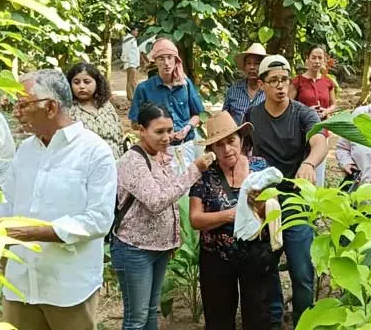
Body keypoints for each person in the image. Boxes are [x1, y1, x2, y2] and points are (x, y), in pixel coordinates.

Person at [0, 69, 118, 330]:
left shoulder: (94, 152)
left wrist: (30, 233)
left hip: (67, 287)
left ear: (50, 107)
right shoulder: (26, 151)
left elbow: (98, 220)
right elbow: (9, 204)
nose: (15, 112)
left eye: (22, 105)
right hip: (21, 285)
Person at [112, 103, 215, 330]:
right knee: (136, 318)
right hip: (134, 248)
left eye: (169, 130)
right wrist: (194, 170)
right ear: (141, 130)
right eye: (159, 132)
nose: (167, 137)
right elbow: (157, 201)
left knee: (150, 312)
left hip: (158, 247)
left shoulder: (160, 156)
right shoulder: (133, 161)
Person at [244, 54, 328, 328]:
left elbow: (319, 142)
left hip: (296, 200)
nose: (280, 86)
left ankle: (304, 321)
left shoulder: (303, 113)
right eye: (274, 81)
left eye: (284, 80)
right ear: (262, 84)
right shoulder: (253, 115)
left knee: (302, 268)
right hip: (265, 201)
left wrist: (308, 163)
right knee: (267, 267)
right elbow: (244, 151)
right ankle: (275, 320)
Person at [189, 111, 276, 329]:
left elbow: (273, 211)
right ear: (211, 149)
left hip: (256, 253)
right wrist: (232, 214)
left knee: (258, 314)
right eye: (219, 145)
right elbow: (195, 219)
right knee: (218, 316)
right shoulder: (205, 174)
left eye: (231, 141)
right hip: (216, 257)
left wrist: (258, 204)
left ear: (241, 139)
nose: (227, 149)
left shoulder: (259, 167)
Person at [129, 38, 204, 173]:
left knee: (189, 184)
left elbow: (197, 115)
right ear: (155, 61)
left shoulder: (185, 84)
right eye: (161, 58)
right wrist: (160, 131)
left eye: (170, 58)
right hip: (159, 150)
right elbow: (135, 123)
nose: (166, 63)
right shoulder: (144, 89)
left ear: (176, 60)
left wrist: (186, 128)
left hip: (187, 145)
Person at [289, 45, 337, 186]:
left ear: (324, 61)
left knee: (319, 167)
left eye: (320, 58)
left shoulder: (328, 82)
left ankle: (316, 200)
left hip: (322, 130)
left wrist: (326, 111)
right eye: (313, 57)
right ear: (307, 60)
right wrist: (306, 111)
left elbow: (334, 104)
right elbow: (288, 104)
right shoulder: (297, 81)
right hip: (300, 131)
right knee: (300, 166)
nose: (316, 61)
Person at [67, 62, 124, 159]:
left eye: (86, 82)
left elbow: (119, 136)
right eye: (76, 82)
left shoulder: (106, 106)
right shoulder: (67, 110)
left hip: (115, 163)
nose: (81, 86)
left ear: (97, 83)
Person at [223, 43, 267, 124]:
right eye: (248, 63)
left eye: (257, 63)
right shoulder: (234, 89)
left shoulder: (269, 90)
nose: (252, 67)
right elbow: (224, 117)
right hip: (237, 135)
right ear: (244, 67)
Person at [122, 25, 141, 101]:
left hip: (133, 63)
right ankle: (133, 97)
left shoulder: (132, 39)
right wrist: (128, 62)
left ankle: (131, 96)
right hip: (131, 63)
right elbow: (126, 52)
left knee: (131, 80)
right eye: (136, 31)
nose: (137, 32)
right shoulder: (129, 40)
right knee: (133, 81)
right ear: (132, 31)